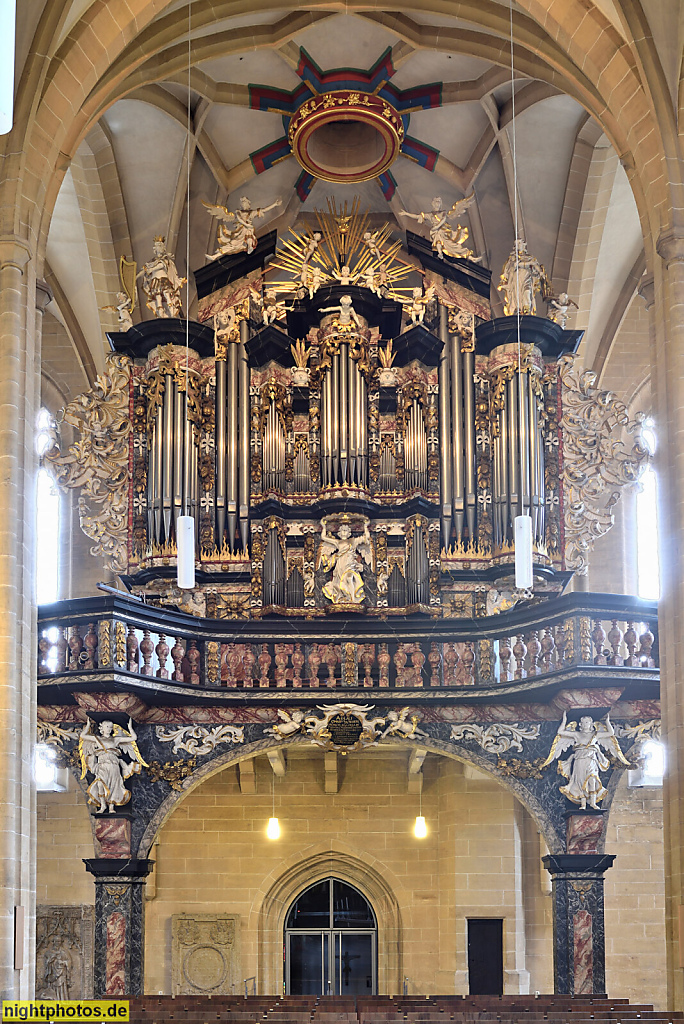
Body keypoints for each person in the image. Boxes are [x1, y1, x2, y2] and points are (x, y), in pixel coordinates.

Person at [541, 711, 629, 809]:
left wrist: (607, 722)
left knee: (592, 779)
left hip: (591, 760)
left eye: (588, 722)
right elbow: (560, 732)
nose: (586, 724)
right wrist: (564, 720)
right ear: (580, 724)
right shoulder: (577, 734)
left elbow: (611, 733)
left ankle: (592, 802)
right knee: (581, 782)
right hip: (580, 760)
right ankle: (583, 804)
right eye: (584, 722)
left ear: (591, 724)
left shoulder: (595, 734)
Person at [78, 718, 148, 813]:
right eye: (107, 726)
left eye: (111, 727)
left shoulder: (115, 739)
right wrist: (88, 725)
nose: (109, 729)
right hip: (102, 765)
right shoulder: (97, 738)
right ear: (102, 727)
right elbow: (83, 735)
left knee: (113, 785)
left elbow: (133, 738)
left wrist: (130, 728)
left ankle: (111, 806)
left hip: (113, 765)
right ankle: (103, 805)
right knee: (100, 784)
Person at [399, 195, 481, 260]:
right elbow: (417, 216)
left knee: (454, 246)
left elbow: (443, 220)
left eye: (439, 202)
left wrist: (436, 227)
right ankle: (440, 253)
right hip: (436, 232)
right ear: (433, 203)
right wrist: (406, 214)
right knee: (437, 236)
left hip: (444, 231)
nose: (438, 204)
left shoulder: (443, 212)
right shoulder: (429, 215)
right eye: (436, 202)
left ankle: (469, 257)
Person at [203, 195, 282, 259]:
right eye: (242, 203)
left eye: (245, 202)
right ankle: (216, 256)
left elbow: (264, 210)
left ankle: (250, 246)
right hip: (241, 230)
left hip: (248, 229)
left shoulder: (251, 212)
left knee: (249, 237)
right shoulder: (239, 212)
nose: (244, 204)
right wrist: (245, 224)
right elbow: (240, 220)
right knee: (232, 243)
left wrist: (275, 204)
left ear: (248, 204)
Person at [319, 520, 372, 605]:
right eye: (342, 530)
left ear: (349, 533)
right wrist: (324, 526)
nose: (344, 532)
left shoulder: (353, 541)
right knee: (340, 582)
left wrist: (366, 526)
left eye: (346, 530)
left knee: (349, 577)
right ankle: (343, 597)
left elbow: (366, 537)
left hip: (350, 563)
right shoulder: (337, 542)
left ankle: (352, 598)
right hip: (340, 563)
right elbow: (324, 537)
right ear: (339, 533)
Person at [136, 237, 185, 318]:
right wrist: (135, 278)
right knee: (158, 298)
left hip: (163, 280)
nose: (158, 247)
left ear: (163, 248)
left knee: (167, 295)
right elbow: (144, 270)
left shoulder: (165, 259)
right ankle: (161, 316)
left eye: (160, 245)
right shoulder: (152, 261)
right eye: (157, 246)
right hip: (155, 281)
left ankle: (172, 314)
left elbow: (162, 265)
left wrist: (152, 269)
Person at [498, 239, 548, 316]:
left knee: (527, 291)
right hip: (517, 278)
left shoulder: (530, 257)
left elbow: (535, 265)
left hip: (527, 277)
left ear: (524, 245)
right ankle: (519, 309)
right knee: (517, 294)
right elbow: (514, 266)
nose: (518, 245)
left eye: (519, 243)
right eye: (516, 244)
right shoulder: (513, 257)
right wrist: (528, 263)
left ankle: (526, 309)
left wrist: (540, 272)